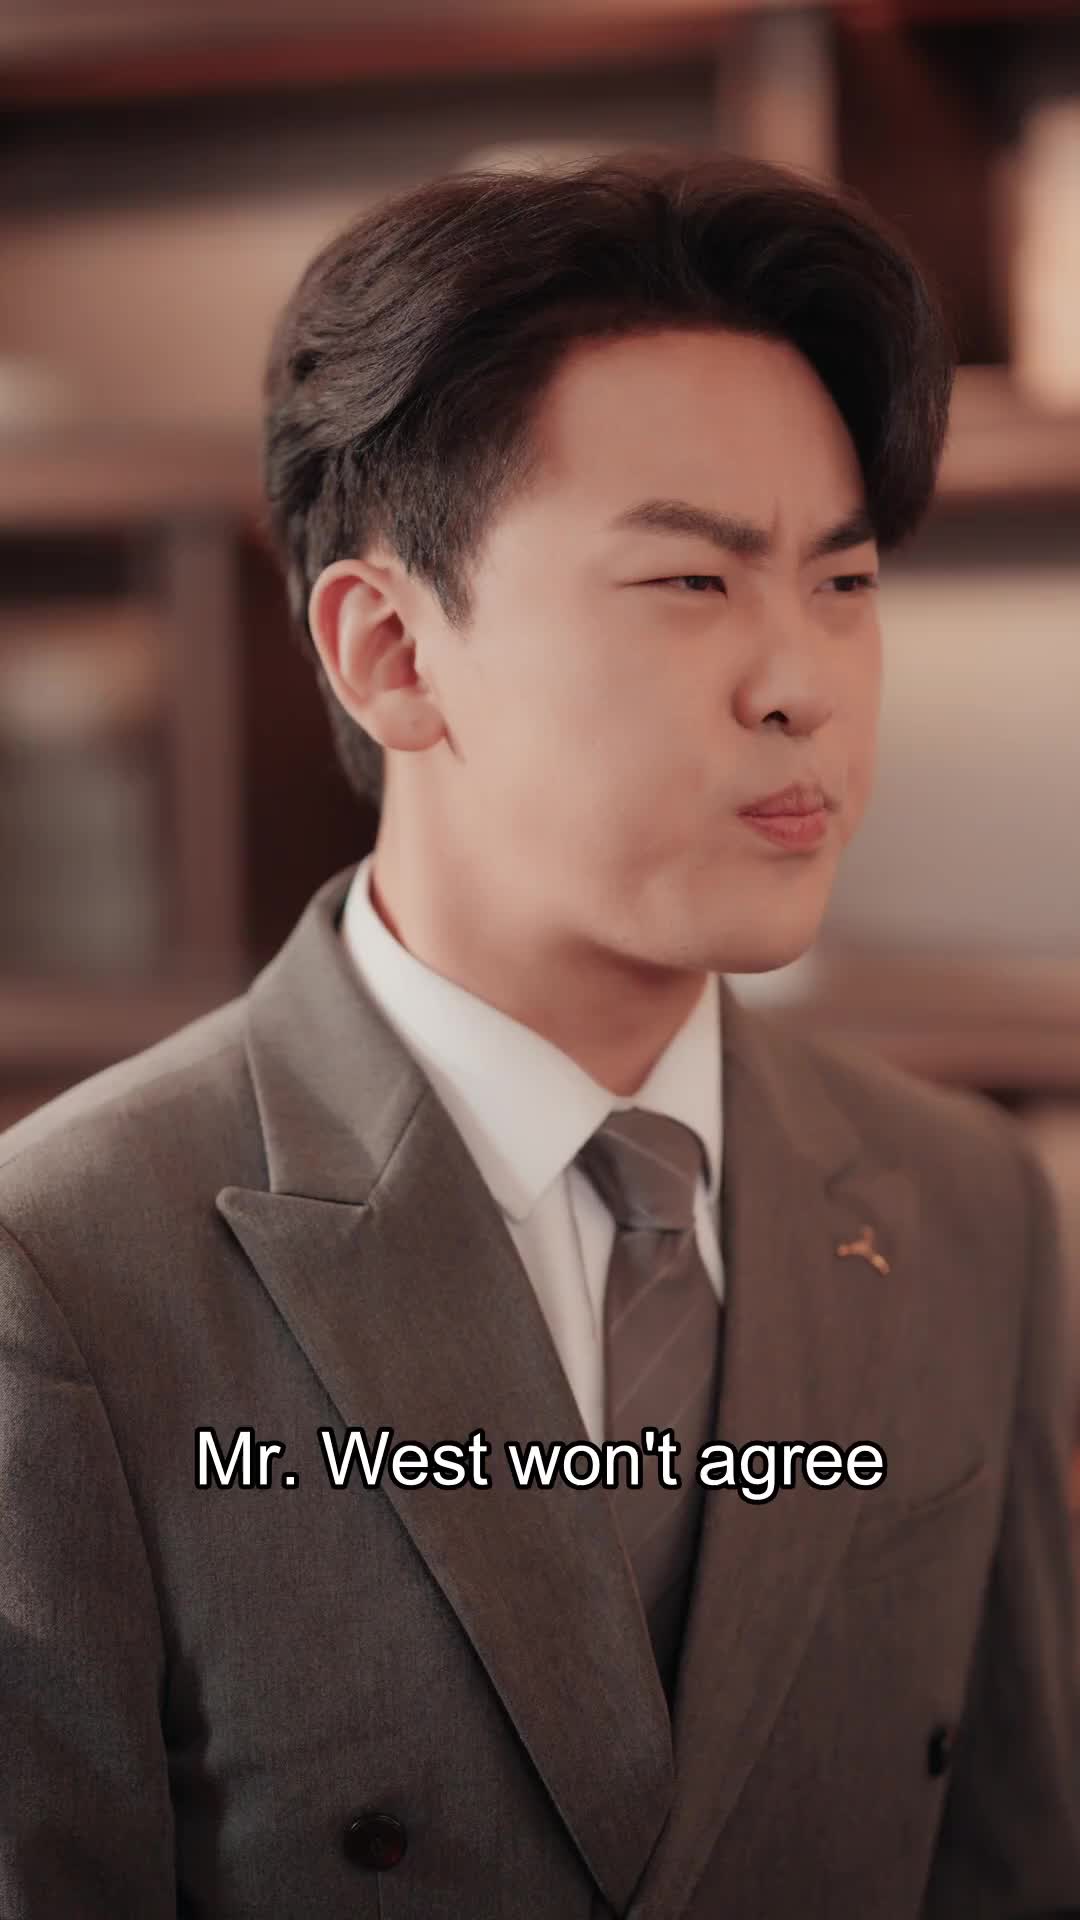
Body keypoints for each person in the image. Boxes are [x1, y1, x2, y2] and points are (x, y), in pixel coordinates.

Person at [1, 149, 1077, 1920]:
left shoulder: (968, 1205)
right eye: (691, 583)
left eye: (845, 584)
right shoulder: (66, 1274)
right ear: (391, 652)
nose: (802, 682)